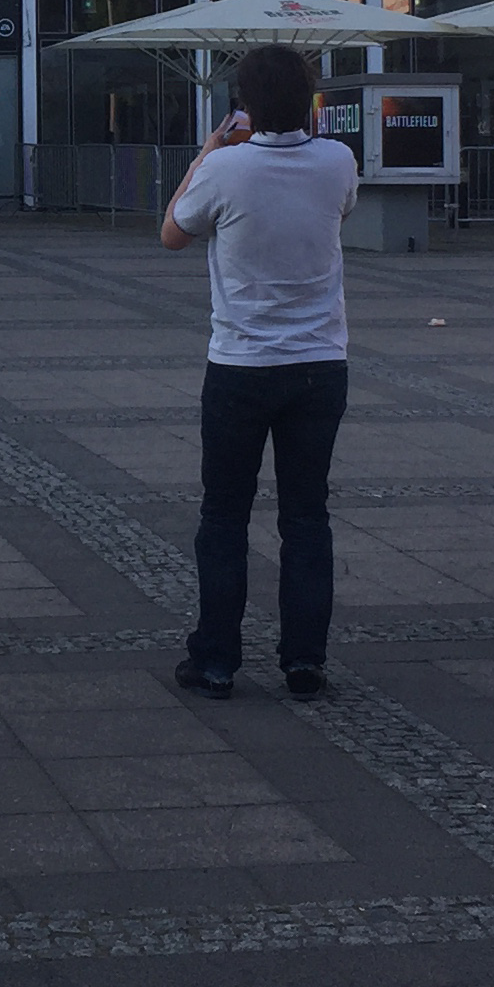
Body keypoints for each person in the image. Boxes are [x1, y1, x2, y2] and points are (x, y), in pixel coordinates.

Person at [159, 42, 358, 700]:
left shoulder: (226, 168)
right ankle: (304, 662)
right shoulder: (338, 160)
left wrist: (206, 154)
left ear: (244, 104)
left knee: (224, 515)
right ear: (310, 102)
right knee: (306, 515)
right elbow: (341, 210)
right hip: (320, 363)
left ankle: (216, 660)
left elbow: (173, 233)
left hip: (241, 364)